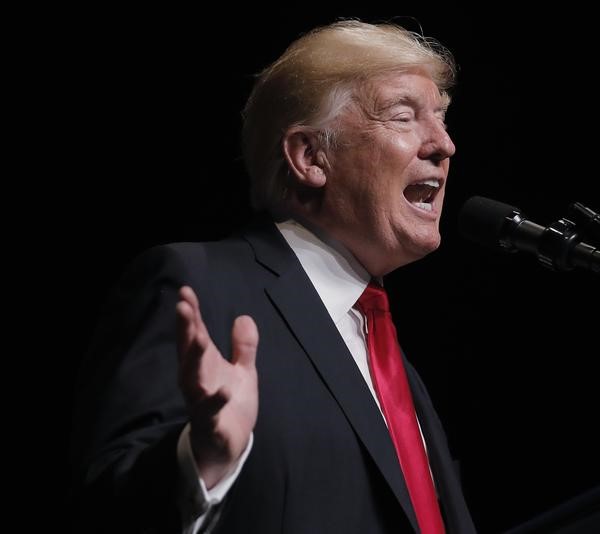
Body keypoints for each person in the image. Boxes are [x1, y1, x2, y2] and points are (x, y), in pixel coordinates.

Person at [72, 20, 476, 533]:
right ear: (310, 157)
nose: (444, 145)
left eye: (441, 119)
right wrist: (200, 460)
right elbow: (102, 507)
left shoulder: (389, 353)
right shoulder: (199, 286)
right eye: (403, 117)